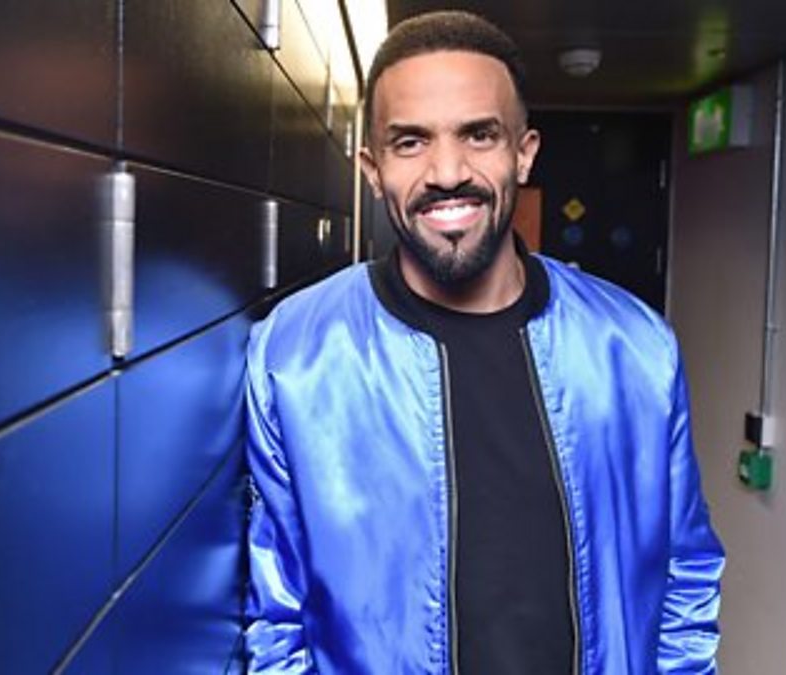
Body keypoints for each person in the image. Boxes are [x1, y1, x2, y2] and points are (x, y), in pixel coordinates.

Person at [243, 10, 723, 674]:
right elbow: (278, 615)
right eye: (410, 141)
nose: (447, 171)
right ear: (373, 169)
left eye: (479, 134)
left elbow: (684, 574)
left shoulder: (634, 346)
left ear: (523, 152)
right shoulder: (295, 354)